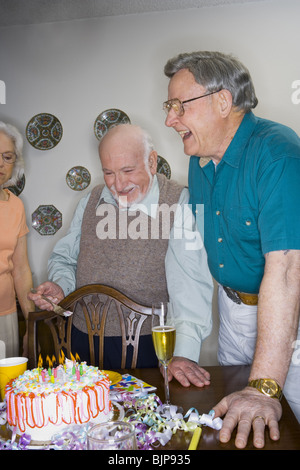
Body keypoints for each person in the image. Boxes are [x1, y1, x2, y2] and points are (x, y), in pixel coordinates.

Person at [163, 50, 300, 448]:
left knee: (285, 420)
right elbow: (192, 262)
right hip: (233, 312)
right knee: (241, 426)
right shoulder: (201, 161)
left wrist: (263, 387)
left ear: (223, 101)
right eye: (168, 107)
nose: (170, 119)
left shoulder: (278, 153)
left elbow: (289, 269)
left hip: (288, 316)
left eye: (178, 105)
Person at [28, 123, 213, 386]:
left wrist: (183, 353)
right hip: (82, 343)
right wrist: (61, 286)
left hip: (149, 348)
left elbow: (190, 284)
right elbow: (65, 259)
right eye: (109, 173)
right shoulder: (90, 200)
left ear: (151, 161)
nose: (119, 184)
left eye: (128, 170)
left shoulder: (180, 201)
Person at [0, 122, 34, 357]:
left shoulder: (16, 206)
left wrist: (31, 326)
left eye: (7, 156)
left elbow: (21, 270)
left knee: (6, 387)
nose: (0, 163)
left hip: (5, 315)